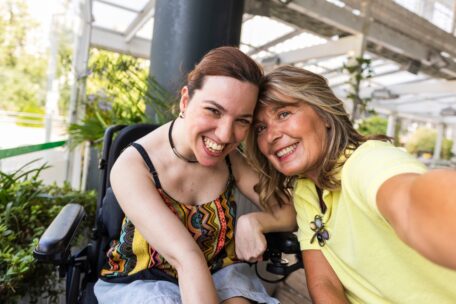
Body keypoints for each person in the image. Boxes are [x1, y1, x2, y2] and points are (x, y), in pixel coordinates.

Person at [93, 47, 296, 304]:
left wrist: (254, 221)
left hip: (218, 272)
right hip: (143, 280)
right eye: (214, 110)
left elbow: (287, 211)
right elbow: (186, 257)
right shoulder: (133, 167)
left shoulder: (231, 160)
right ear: (186, 101)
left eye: (242, 121)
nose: (224, 135)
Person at [245, 65, 456, 304]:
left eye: (284, 114)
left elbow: (411, 205)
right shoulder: (306, 190)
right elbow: (324, 282)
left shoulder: (366, 161)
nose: (271, 135)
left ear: (324, 114)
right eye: (260, 128)